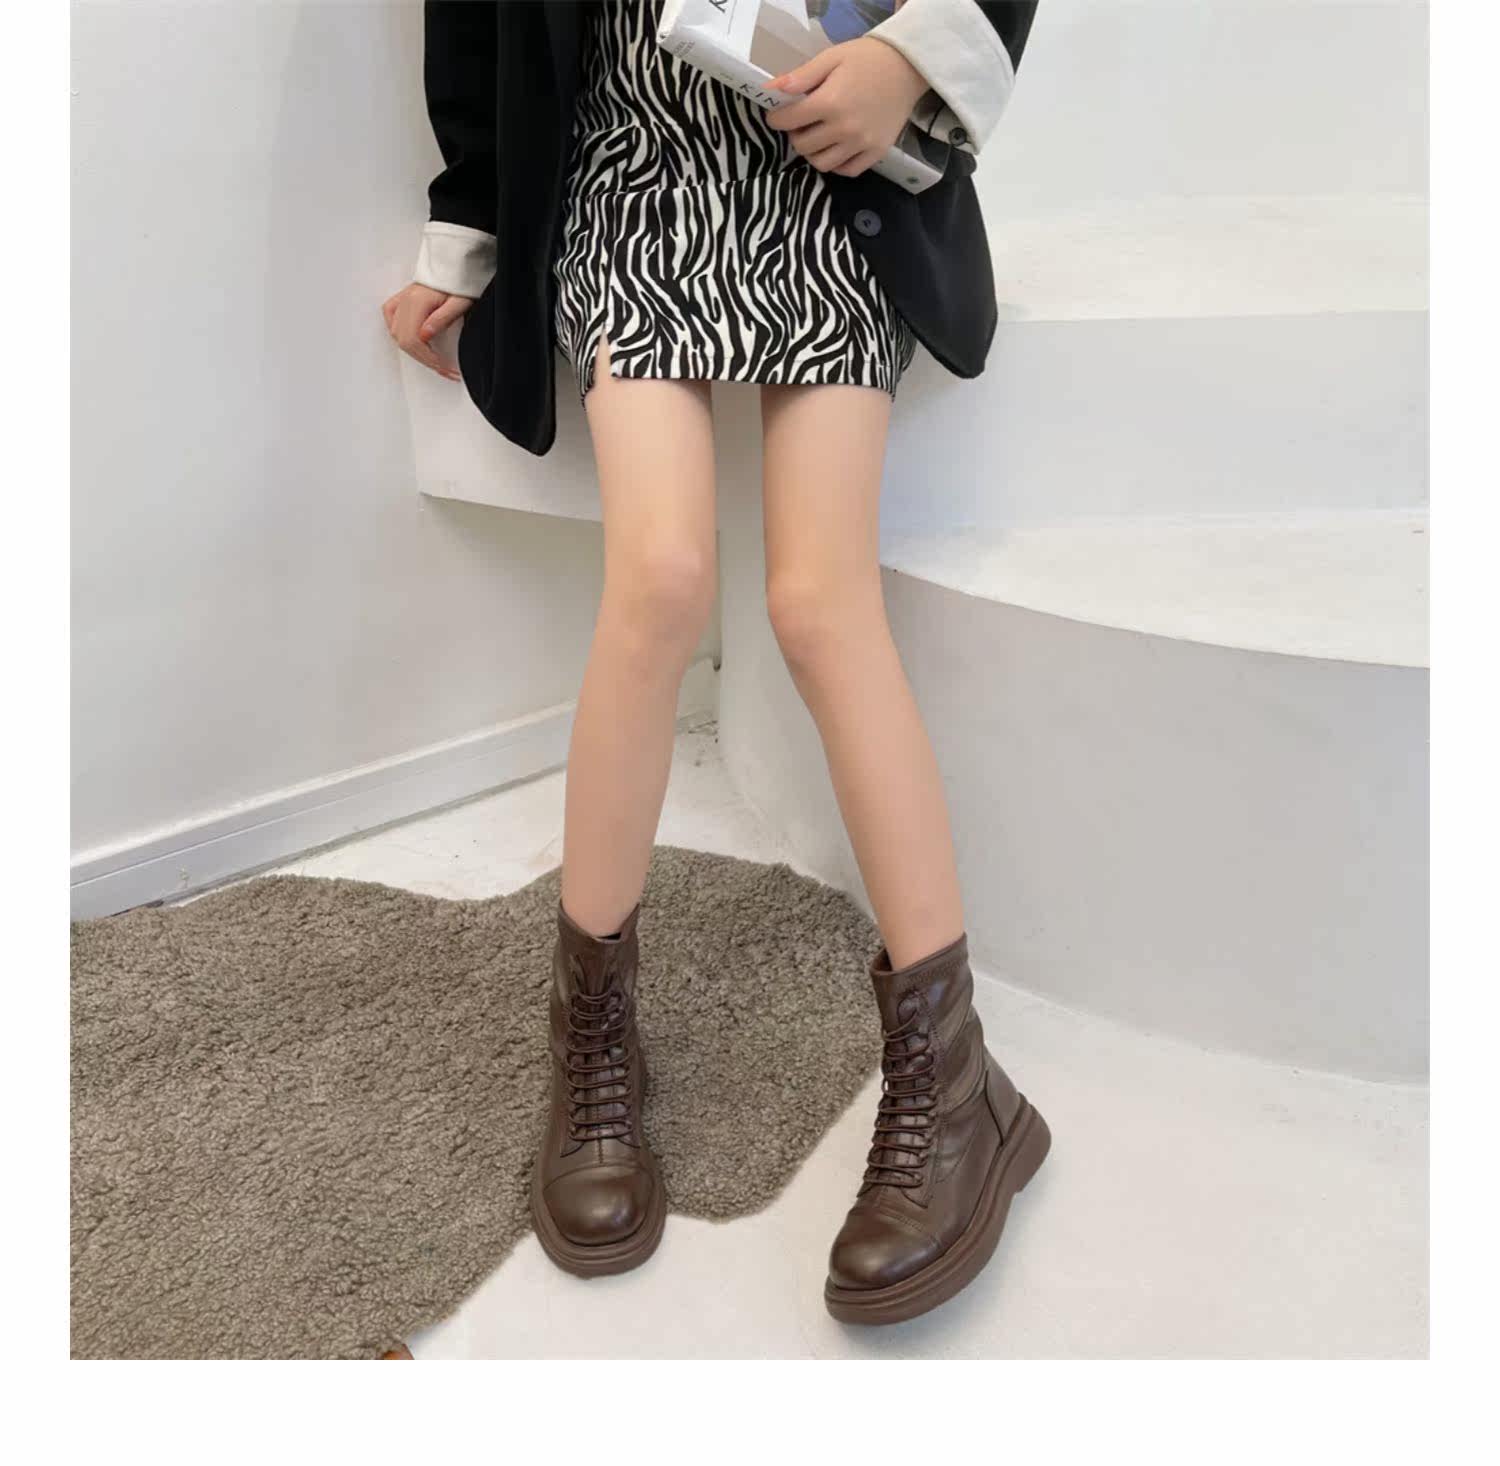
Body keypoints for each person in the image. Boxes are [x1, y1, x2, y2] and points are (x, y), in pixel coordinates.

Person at [383, 0, 1047, 1326]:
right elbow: (474, 26)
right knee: (662, 577)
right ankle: (592, 1037)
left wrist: (910, 62)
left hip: (832, 167)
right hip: (632, 174)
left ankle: (957, 1074)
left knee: (818, 602)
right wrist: (467, 235)